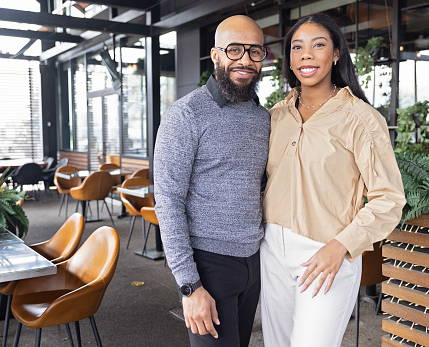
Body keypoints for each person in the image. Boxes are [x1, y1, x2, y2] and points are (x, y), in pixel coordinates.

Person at [260, 14, 406, 347]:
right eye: (297, 47)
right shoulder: (275, 115)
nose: (306, 55)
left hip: (326, 253)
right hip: (271, 250)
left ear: (336, 53)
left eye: (318, 45)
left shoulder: (361, 119)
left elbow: (389, 198)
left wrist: (340, 247)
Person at [154, 15, 271, 347]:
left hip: (253, 259)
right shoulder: (186, 114)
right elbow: (167, 202)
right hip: (208, 264)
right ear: (215, 55)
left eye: (254, 51)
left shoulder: (262, 118)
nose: (245, 60)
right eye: (234, 50)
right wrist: (189, 286)